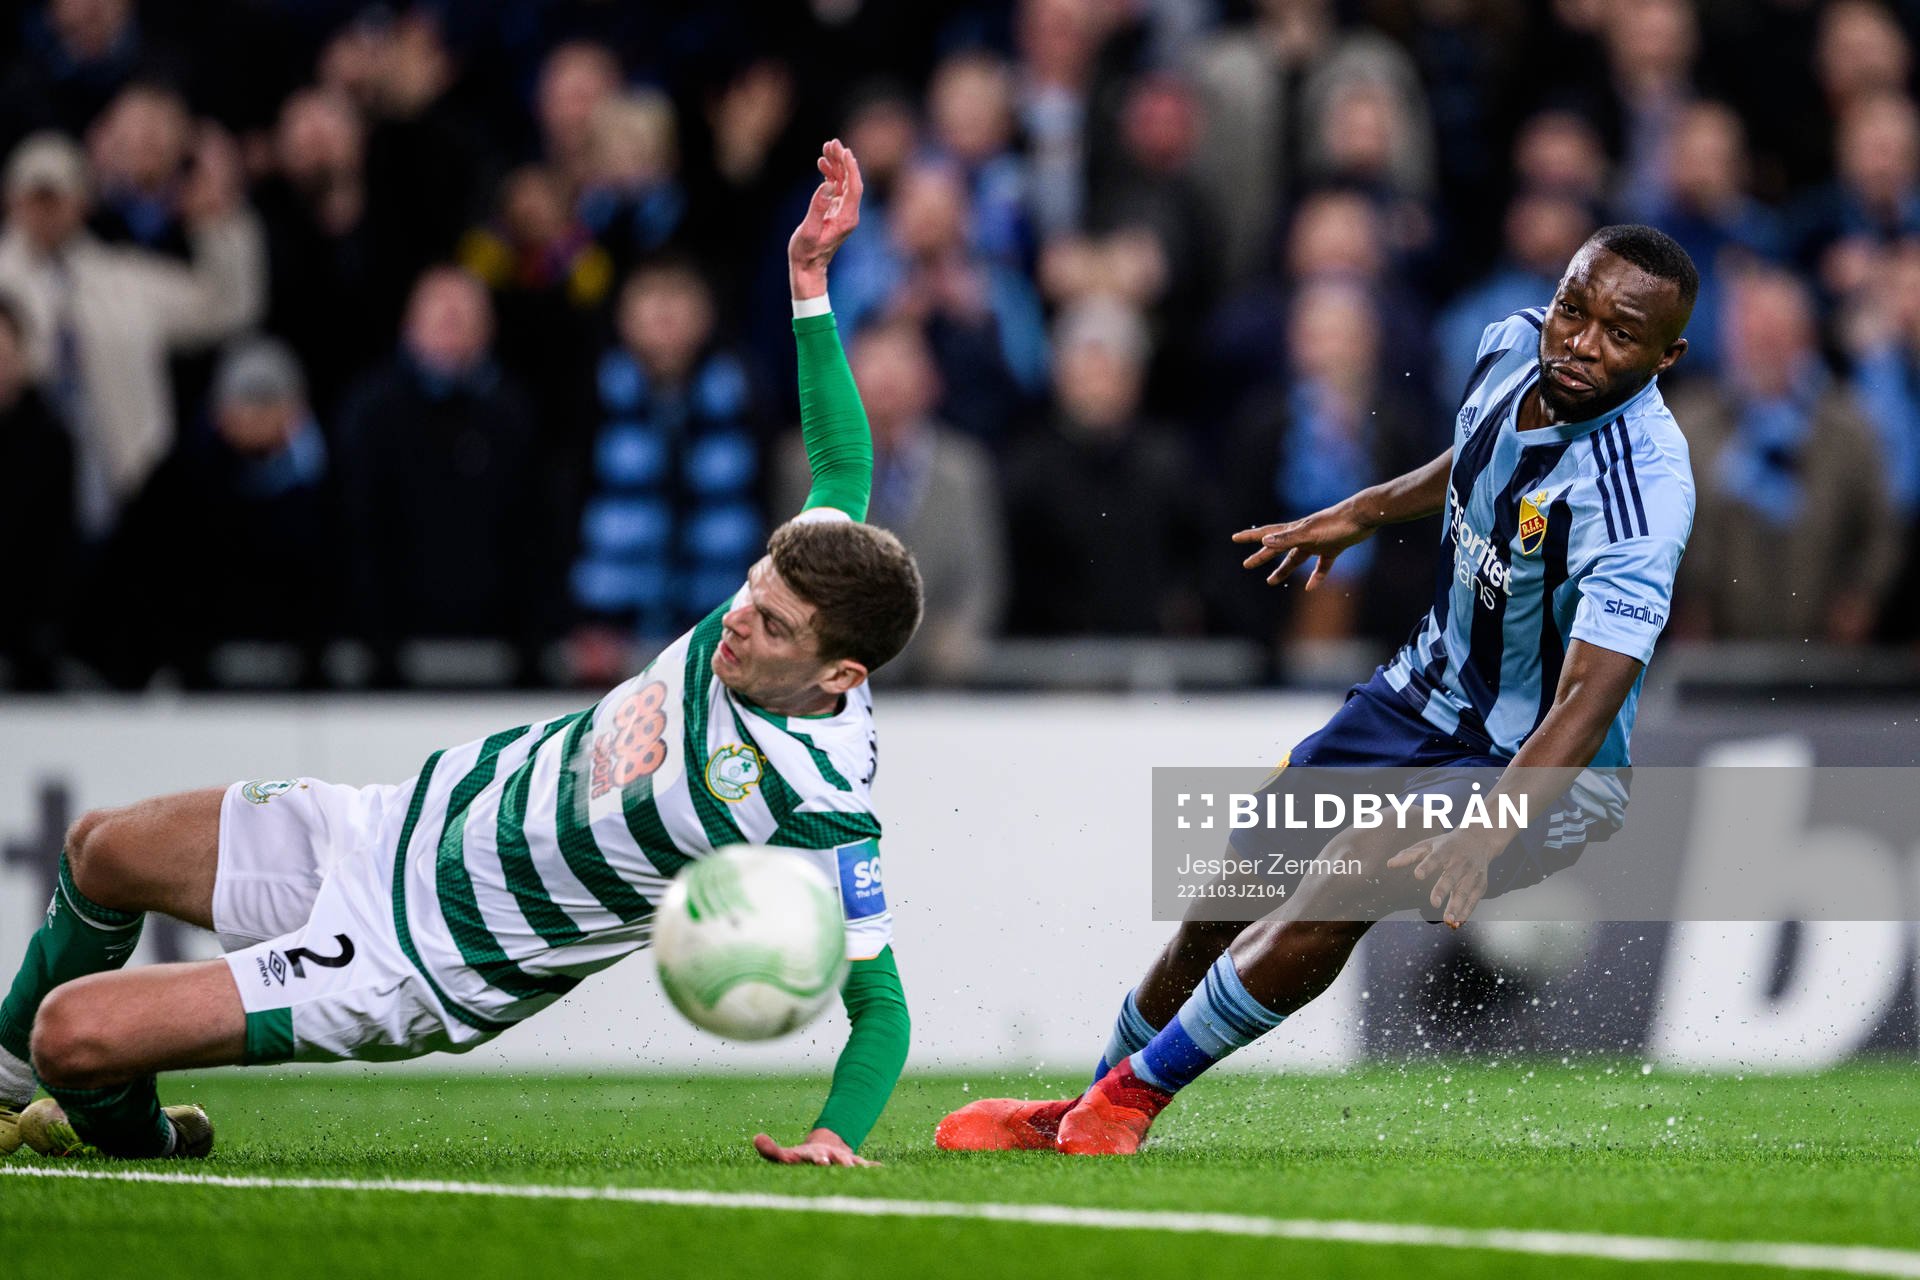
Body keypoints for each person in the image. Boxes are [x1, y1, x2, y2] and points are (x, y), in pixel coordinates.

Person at [0, 140, 921, 1169]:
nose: (742, 619)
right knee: (100, 849)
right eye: (752, 589)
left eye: (775, 626)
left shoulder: (820, 800)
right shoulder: (806, 571)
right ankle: (3, 1091)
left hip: (422, 958)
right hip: (391, 826)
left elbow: (882, 1009)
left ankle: (145, 1135)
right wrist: (809, 280)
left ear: (841, 674)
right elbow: (842, 456)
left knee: (71, 1034)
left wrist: (833, 1134)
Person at [938, 225, 1698, 1155]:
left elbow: (1586, 697)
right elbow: (1475, 459)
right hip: (1419, 696)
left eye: (1620, 334)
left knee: (1353, 867)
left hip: (1536, 767)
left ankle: (1131, 1102)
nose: (1580, 342)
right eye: (1574, 310)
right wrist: (1361, 512)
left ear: (1667, 357)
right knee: (1232, 886)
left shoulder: (1644, 494)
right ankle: (1083, 1107)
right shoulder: (1510, 344)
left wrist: (1488, 829)